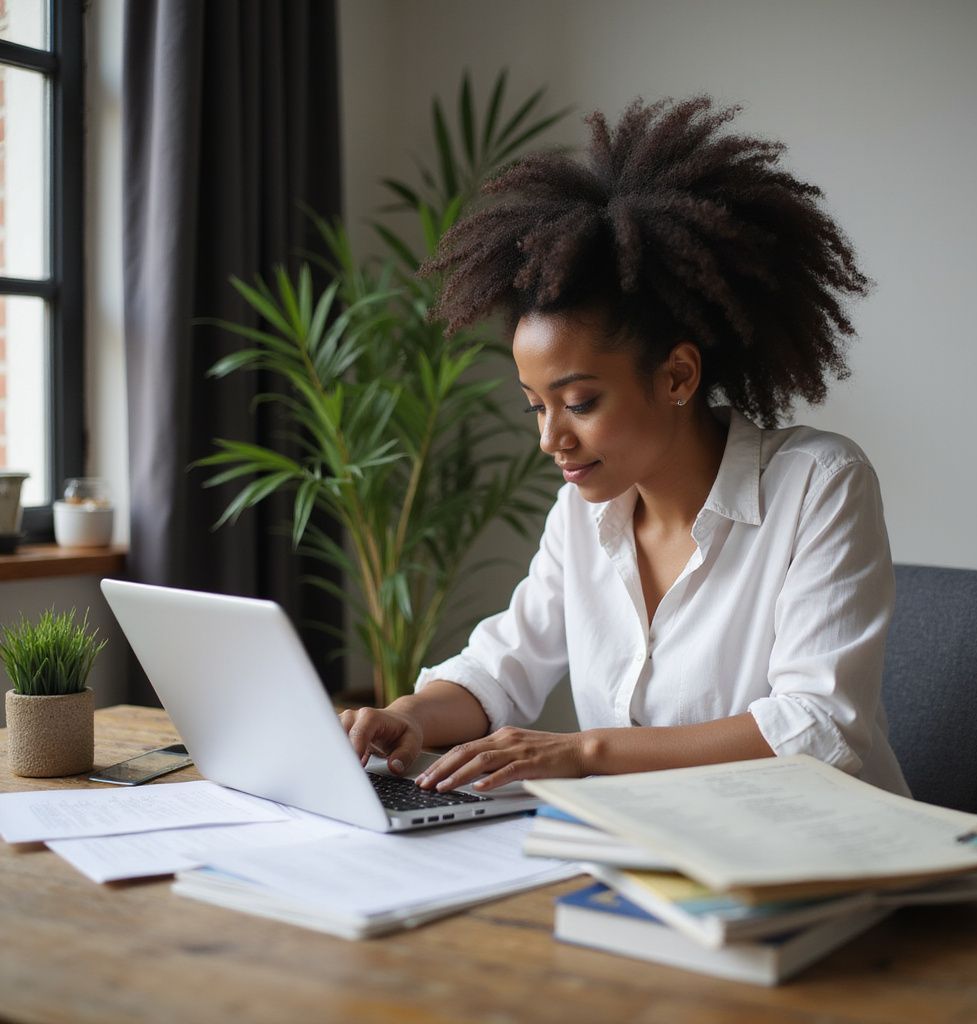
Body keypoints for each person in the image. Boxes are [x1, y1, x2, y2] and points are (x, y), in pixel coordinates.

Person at [341, 96, 909, 798]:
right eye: (535, 407)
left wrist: (584, 751)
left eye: (579, 402)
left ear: (677, 375)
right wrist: (408, 717)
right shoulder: (584, 513)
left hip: (827, 862)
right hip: (645, 851)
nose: (551, 438)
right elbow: (501, 667)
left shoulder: (819, 485)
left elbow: (818, 727)